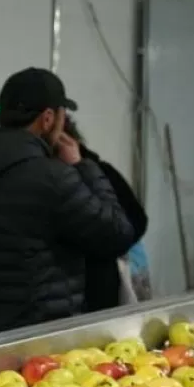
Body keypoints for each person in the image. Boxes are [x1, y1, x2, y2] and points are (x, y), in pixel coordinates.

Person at [0, 67, 136, 338]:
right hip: (39, 344)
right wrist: (83, 166)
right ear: (48, 119)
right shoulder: (53, 178)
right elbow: (117, 234)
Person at [62, 118, 149, 311]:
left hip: (98, 285)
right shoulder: (47, 176)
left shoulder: (99, 172)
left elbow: (136, 220)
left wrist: (106, 245)